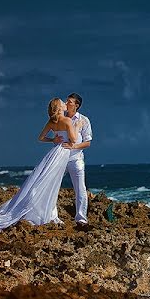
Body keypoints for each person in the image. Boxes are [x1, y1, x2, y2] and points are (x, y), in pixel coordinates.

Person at [0, 98, 79, 229]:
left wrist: (53, 139)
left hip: (55, 151)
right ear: (59, 108)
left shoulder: (52, 121)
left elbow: (41, 138)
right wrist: (76, 128)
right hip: (63, 152)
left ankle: (49, 211)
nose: (65, 104)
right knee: (52, 183)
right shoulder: (67, 120)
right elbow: (74, 139)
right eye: (63, 103)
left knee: (46, 181)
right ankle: (46, 213)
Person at [55, 92, 92, 230]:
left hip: (76, 159)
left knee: (80, 188)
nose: (66, 103)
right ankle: (53, 216)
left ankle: (81, 219)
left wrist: (74, 146)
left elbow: (87, 142)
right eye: (67, 101)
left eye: (69, 101)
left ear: (76, 105)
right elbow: (56, 136)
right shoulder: (60, 118)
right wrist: (54, 140)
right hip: (59, 158)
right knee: (53, 186)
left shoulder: (84, 120)